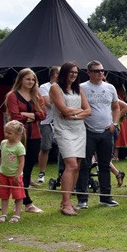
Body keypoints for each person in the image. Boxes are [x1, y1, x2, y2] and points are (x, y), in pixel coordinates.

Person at [76, 61, 126, 209]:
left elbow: (116, 107)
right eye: (96, 71)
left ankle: (106, 197)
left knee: (104, 165)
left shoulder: (110, 88)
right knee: (84, 165)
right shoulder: (82, 88)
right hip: (88, 131)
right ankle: (82, 199)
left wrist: (114, 123)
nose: (100, 73)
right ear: (89, 72)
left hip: (106, 131)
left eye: (102, 70)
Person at [48, 62, 91, 215]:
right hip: (64, 130)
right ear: (64, 73)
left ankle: (67, 201)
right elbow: (63, 109)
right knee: (71, 164)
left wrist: (73, 115)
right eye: (71, 72)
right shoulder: (55, 88)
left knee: (77, 166)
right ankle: (66, 203)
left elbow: (88, 111)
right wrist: (77, 113)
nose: (73, 75)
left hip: (79, 130)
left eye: (76, 72)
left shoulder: (78, 89)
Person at [5, 68, 47, 213]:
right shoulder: (12, 96)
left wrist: (27, 115)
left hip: (35, 135)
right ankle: (26, 202)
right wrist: (33, 115)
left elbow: (43, 115)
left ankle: (24, 201)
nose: (31, 82)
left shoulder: (36, 95)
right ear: (21, 80)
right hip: (18, 137)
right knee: (18, 168)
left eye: (33, 79)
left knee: (28, 168)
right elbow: (15, 116)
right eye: (28, 79)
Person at [0, 120, 27, 223]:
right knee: (3, 195)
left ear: (18, 134)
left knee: (18, 196)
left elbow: (21, 163)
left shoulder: (19, 147)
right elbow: (2, 157)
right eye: (5, 132)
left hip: (15, 176)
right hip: (4, 174)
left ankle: (16, 215)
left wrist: (17, 175)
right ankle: (3, 214)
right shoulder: (3, 143)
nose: (6, 135)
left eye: (9, 133)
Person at [36, 65, 60, 184]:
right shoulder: (45, 87)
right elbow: (47, 102)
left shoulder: (64, 87)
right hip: (47, 121)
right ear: (55, 74)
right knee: (46, 147)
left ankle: (62, 172)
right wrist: (63, 106)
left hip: (61, 121)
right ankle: (41, 173)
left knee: (64, 148)